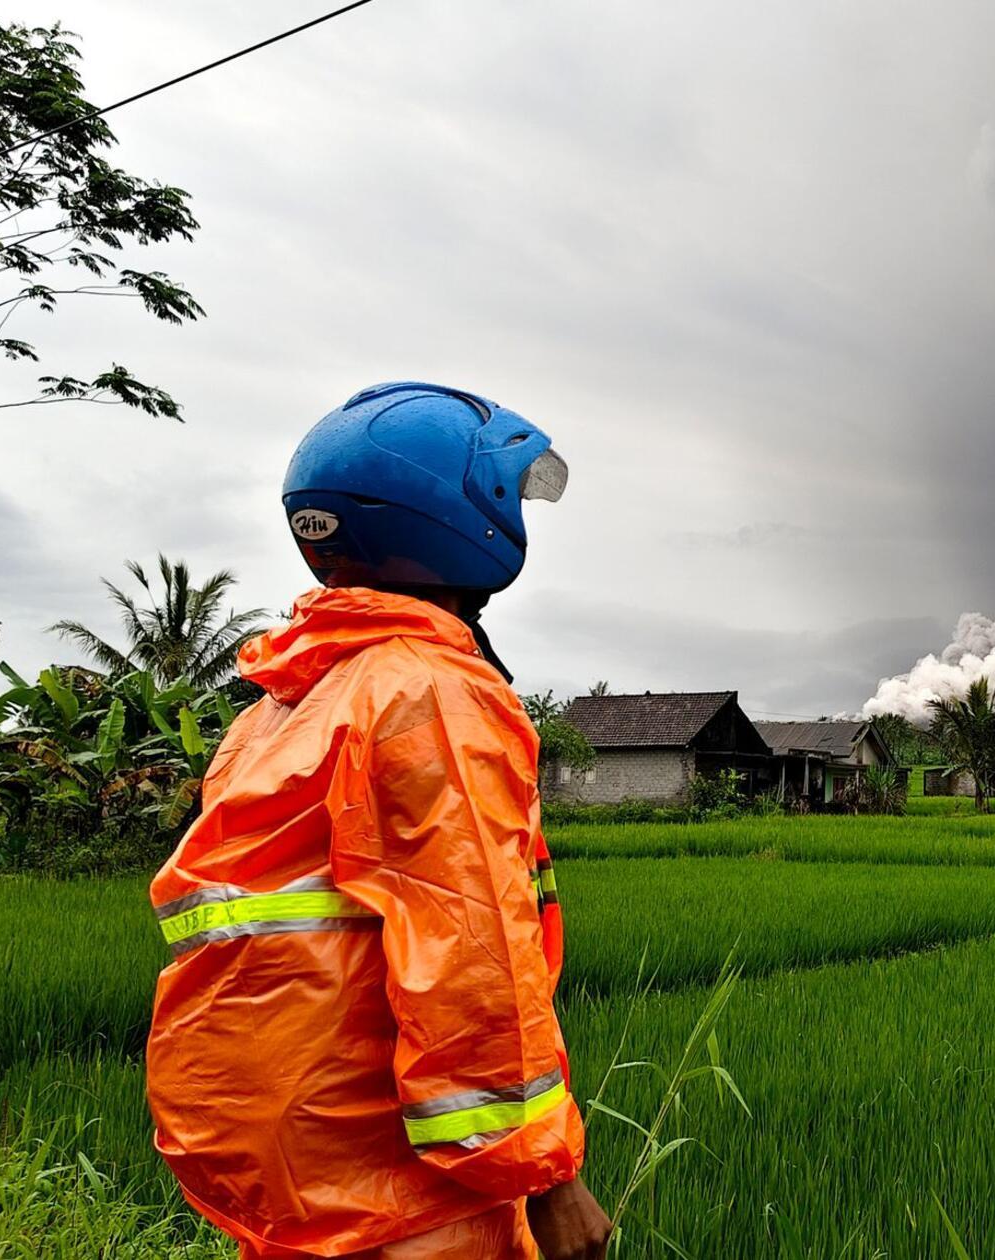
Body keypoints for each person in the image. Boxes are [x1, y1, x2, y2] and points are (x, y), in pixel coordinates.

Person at [146, 382, 611, 1260]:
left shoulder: (284, 705)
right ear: (458, 518)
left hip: (289, 1156)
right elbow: (470, 954)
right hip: (392, 1173)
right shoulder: (428, 694)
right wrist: (548, 1179)